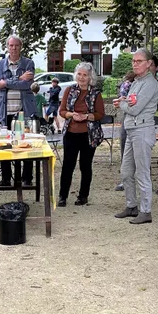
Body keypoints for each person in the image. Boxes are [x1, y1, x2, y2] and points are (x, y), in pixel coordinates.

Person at [114, 48, 158, 224]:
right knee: (126, 171)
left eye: (139, 61)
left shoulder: (150, 83)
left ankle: (146, 210)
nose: (135, 64)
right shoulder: (136, 82)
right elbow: (131, 103)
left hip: (142, 129)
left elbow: (135, 108)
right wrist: (125, 103)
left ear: (149, 63)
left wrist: (121, 104)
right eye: (133, 61)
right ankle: (131, 205)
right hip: (132, 129)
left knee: (142, 172)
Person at [58, 62, 105, 207]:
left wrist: (86, 116)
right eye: (79, 74)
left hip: (88, 135)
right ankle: (62, 196)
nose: (82, 77)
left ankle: (83, 196)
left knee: (85, 166)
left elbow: (100, 114)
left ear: (90, 77)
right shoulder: (69, 90)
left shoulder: (96, 93)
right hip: (71, 133)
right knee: (67, 165)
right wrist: (72, 114)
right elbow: (62, 111)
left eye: (85, 75)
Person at [0, 35, 36, 186]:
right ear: (7, 47)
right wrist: (19, 78)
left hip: (23, 111)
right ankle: (6, 178)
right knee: (5, 144)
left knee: (25, 143)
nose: (14, 48)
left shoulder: (28, 63)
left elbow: (27, 85)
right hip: (5, 111)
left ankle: (27, 178)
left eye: (16, 45)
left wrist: (7, 82)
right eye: (11, 45)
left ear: (21, 47)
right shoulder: (0, 64)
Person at [114, 71, 135, 191]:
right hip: (127, 118)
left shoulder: (143, 84)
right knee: (125, 149)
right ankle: (126, 179)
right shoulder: (127, 84)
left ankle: (128, 179)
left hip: (136, 120)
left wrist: (123, 102)